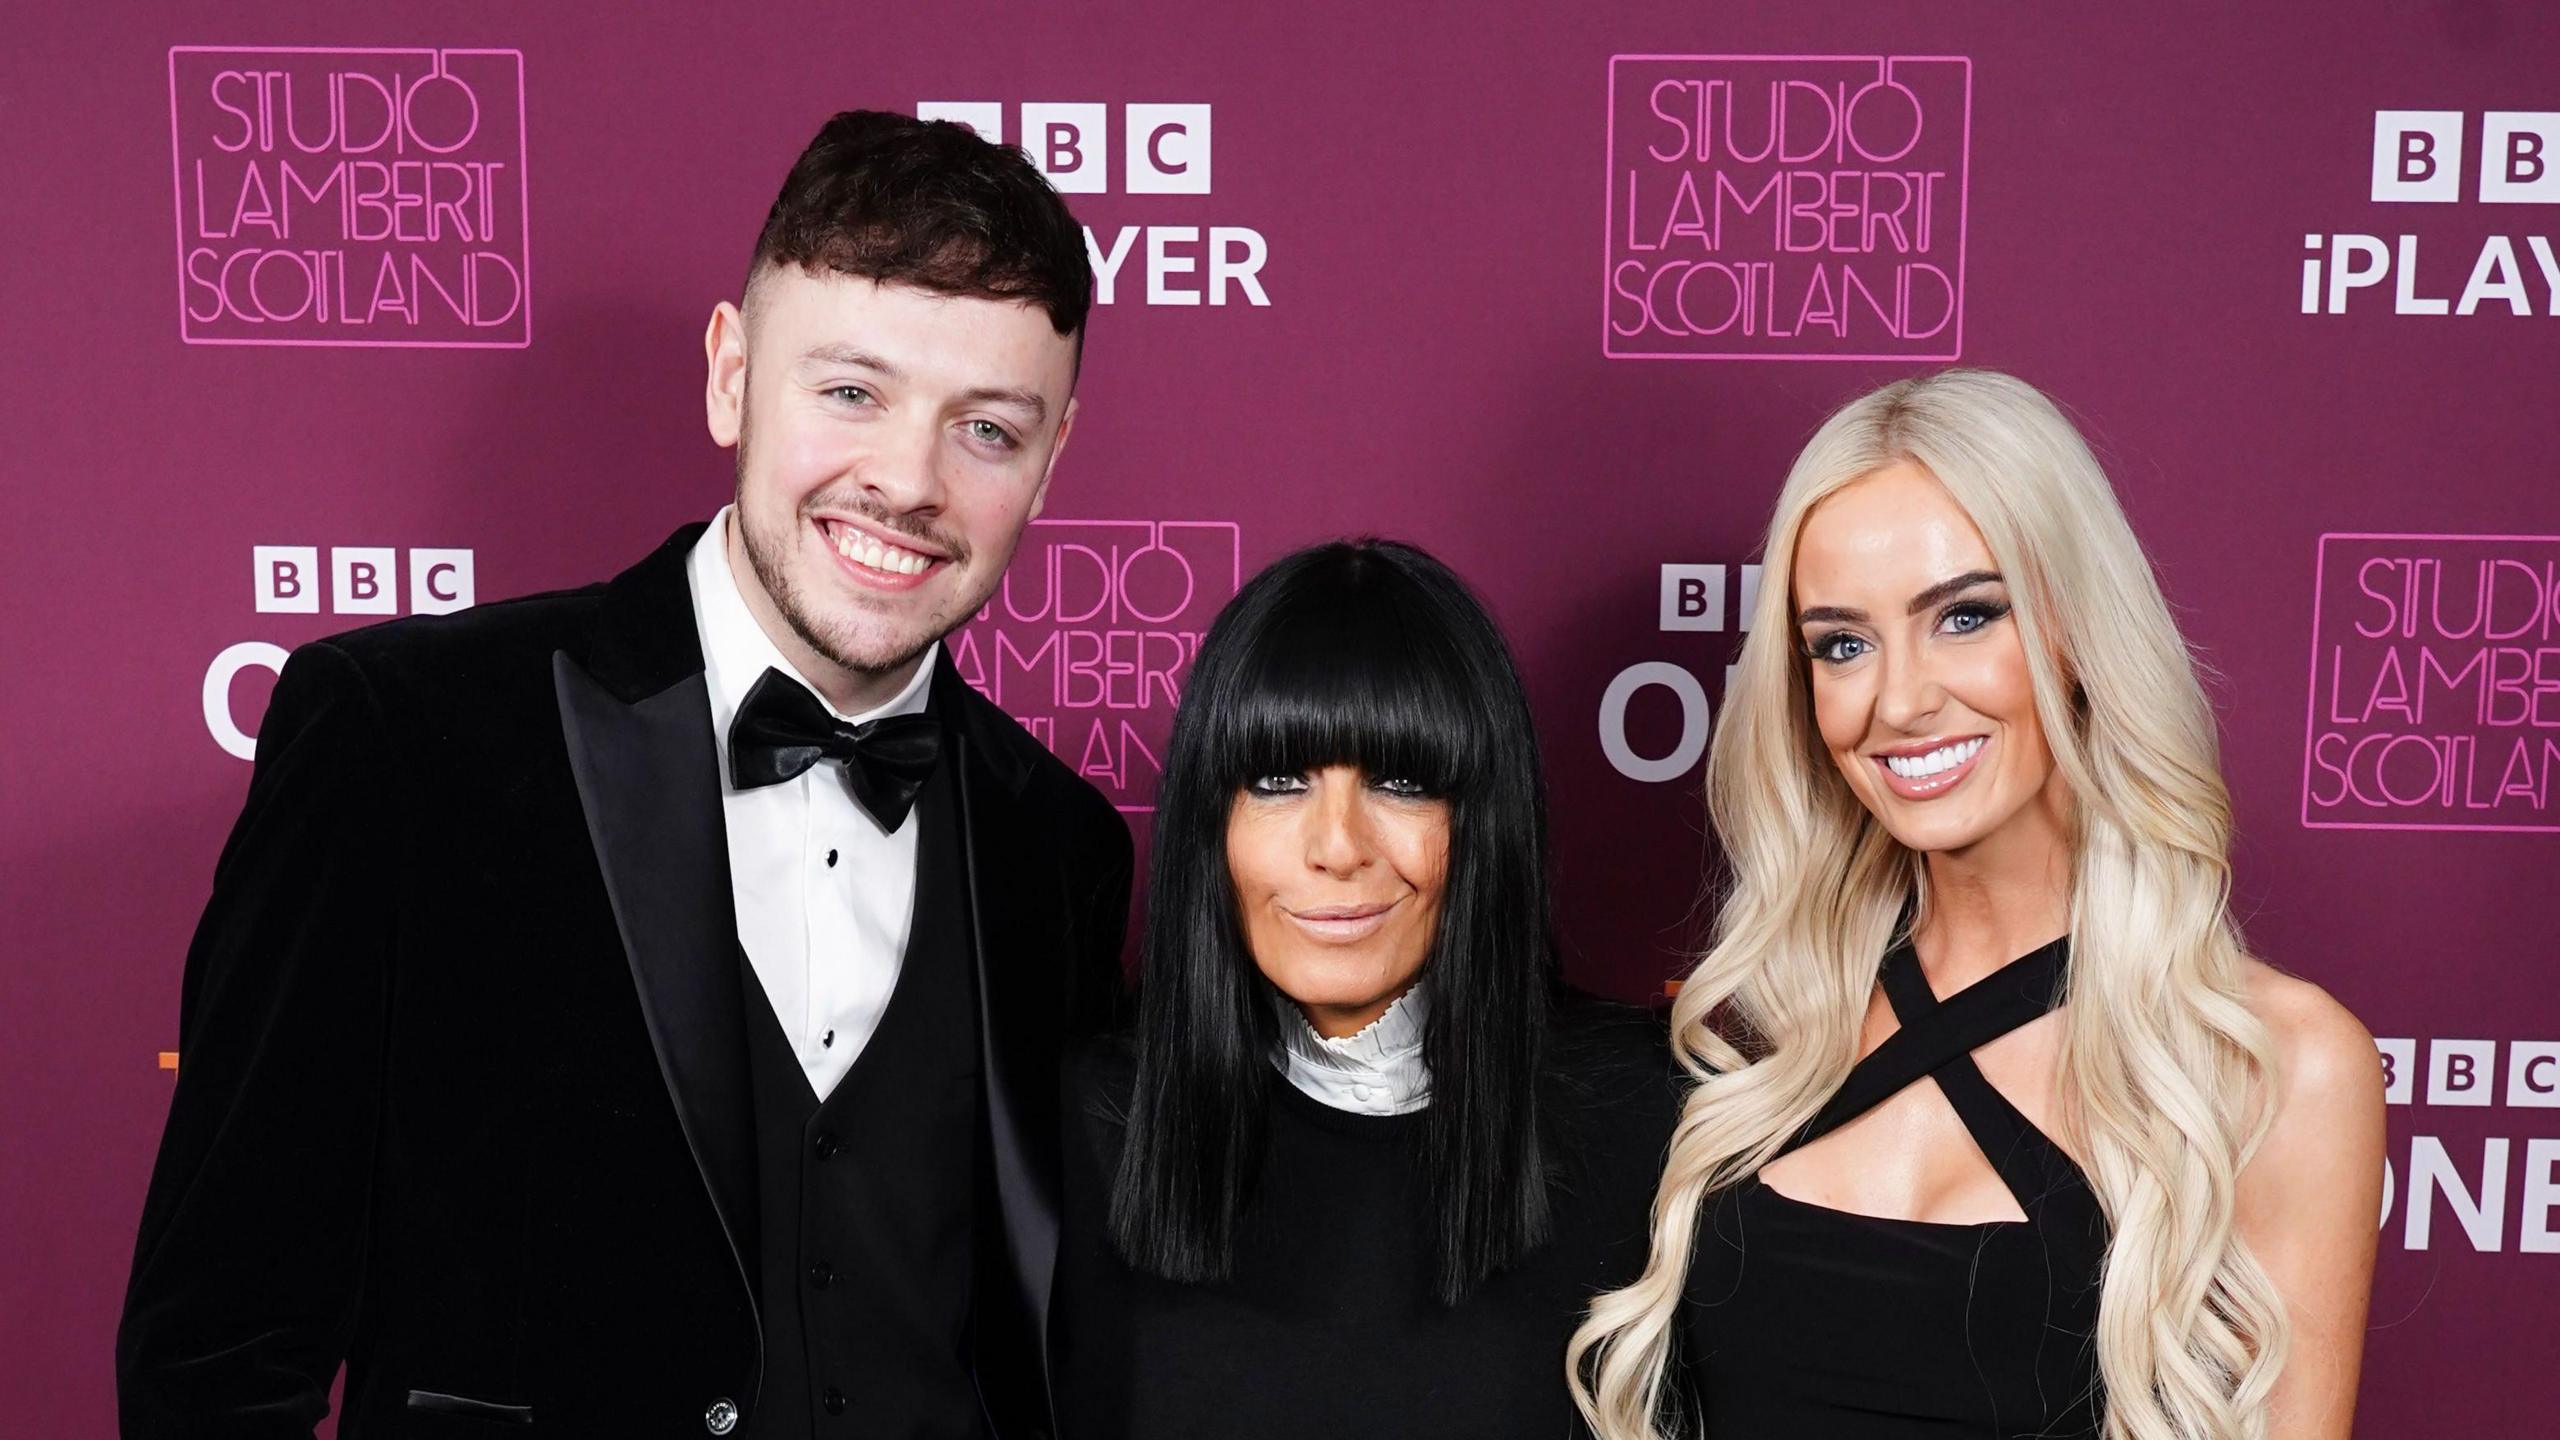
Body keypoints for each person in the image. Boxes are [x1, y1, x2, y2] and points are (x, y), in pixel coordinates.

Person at [117, 111, 1132, 1440]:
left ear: (1053, 461)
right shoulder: (404, 742)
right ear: (730, 375)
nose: (905, 479)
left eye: (987, 430)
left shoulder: (1058, 844)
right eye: (851, 393)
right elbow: (218, 1353)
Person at [1568, 369, 2387, 1440]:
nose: (1899, 701)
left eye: (1963, 616)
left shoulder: (2270, 1064)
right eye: (1842, 645)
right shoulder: (1774, 1032)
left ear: (2073, 630)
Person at [1054, 539, 1680, 1440]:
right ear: (1209, 825)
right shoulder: (1087, 1117)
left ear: (1480, 821)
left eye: (1399, 781)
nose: (1339, 846)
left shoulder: (1649, 1115)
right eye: (1278, 782)